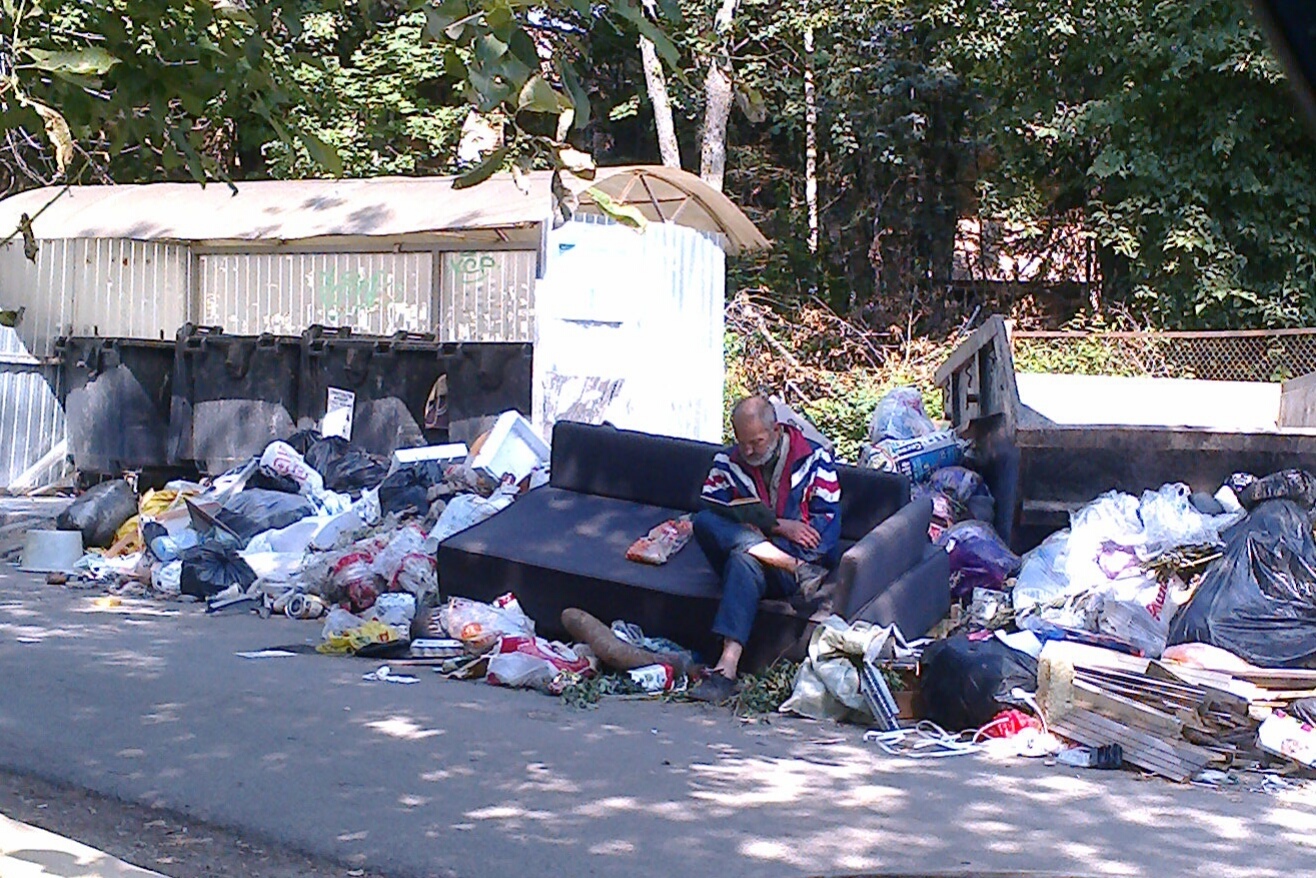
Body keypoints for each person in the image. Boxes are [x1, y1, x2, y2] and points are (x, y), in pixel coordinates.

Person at [690, 395, 841, 702]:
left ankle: (726, 669)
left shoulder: (815, 460)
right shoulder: (727, 462)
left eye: (756, 442)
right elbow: (711, 505)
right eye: (742, 442)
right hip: (795, 568)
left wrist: (760, 538)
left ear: (775, 431)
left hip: (789, 570)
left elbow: (825, 531)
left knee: (741, 559)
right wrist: (779, 528)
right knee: (703, 521)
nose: (748, 451)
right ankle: (791, 566)